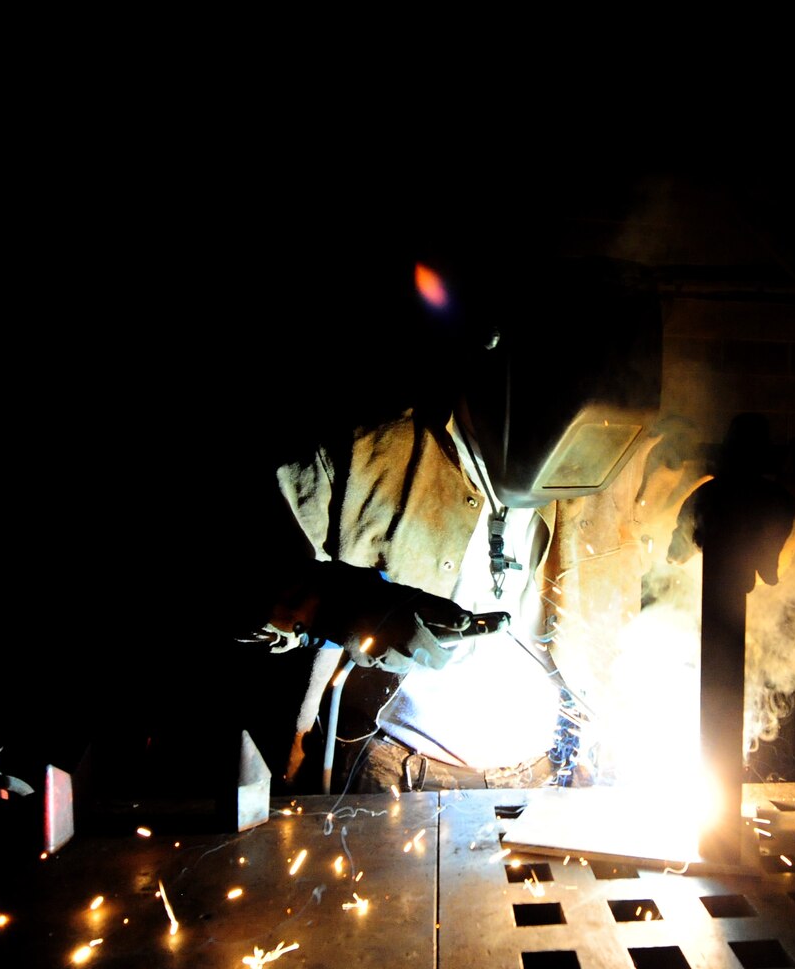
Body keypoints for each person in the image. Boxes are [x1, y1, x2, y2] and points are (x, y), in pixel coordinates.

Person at [236, 252, 666, 793]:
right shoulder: (365, 456)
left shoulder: (604, 462)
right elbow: (239, 587)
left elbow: (658, 543)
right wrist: (334, 603)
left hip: (540, 777)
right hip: (395, 775)